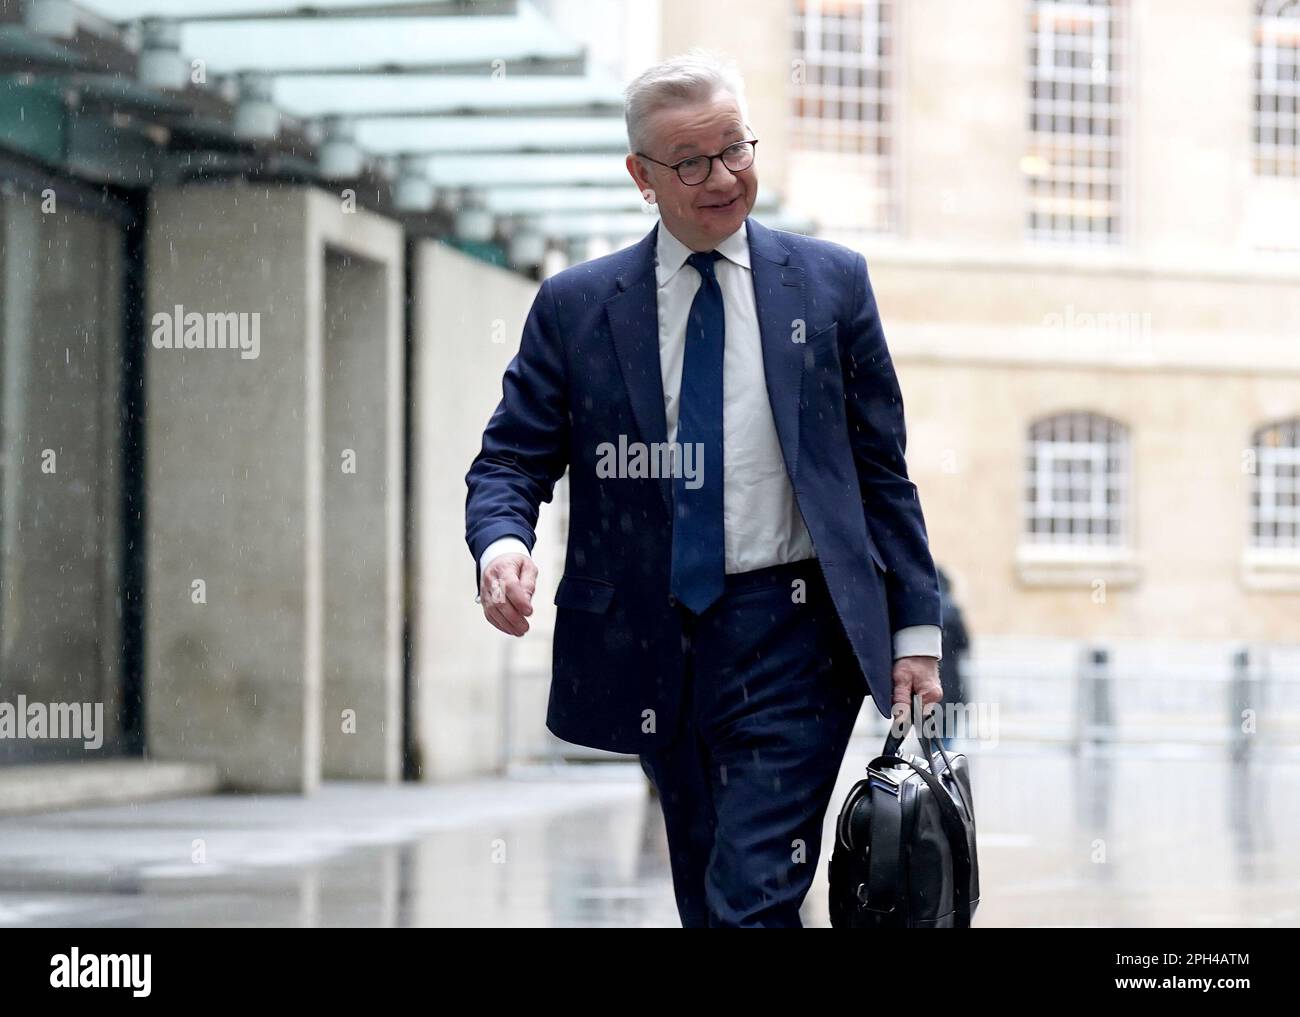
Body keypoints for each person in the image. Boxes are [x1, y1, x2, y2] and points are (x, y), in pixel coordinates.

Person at [465, 49, 944, 927]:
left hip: (799, 637)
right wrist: (503, 545)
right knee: (712, 894)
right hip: (653, 643)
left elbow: (881, 471)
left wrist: (917, 628)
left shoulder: (831, 285)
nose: (724, 177)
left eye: (737, 149)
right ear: (641, 176)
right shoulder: (578, 307)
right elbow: (510, 458)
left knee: (747, 898)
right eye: (692, 162)